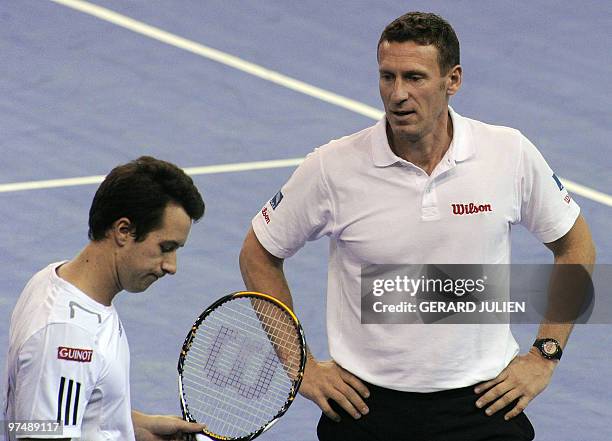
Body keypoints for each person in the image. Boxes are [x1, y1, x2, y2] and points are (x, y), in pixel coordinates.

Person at [239, 11, 596, 441]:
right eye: (387, 77)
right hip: (366, 410)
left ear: (453, 80)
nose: (398, 94)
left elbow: (576, 247)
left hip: (482, 405)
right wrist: (303, 368)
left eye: (415, 77)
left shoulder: (509, 154)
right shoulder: (332, 167)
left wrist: (545, 355)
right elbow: (257, 253)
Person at [3, 156, 207, 441]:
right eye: (166, 247)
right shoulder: (68, 337)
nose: (171, 266)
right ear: (123, 231)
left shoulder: (53, 278)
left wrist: (138, 426)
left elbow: (60, 418)